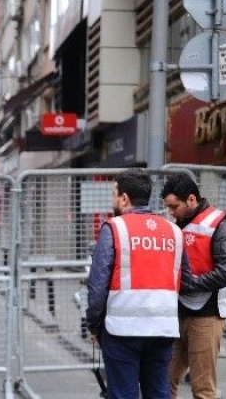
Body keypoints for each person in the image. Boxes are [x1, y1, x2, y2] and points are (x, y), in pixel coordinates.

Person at [86, 168, 191, 399]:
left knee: (123, 394)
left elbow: (97, 284)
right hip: (163, 329)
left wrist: (94, 324)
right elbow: (186, 280)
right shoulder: (174, 232)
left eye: (114, 194)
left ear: (124, 198)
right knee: (159, 393)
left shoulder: (114, 228)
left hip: (122, 330)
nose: (112, 199)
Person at [161, 173, 226, 399]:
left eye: (174, 206)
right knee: (163, 382)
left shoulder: (219, 225)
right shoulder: (177, 226)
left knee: (203, 389)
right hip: (179, 313)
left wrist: (190, 284)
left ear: (191, 200)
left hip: (207, 316)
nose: (171, 212)